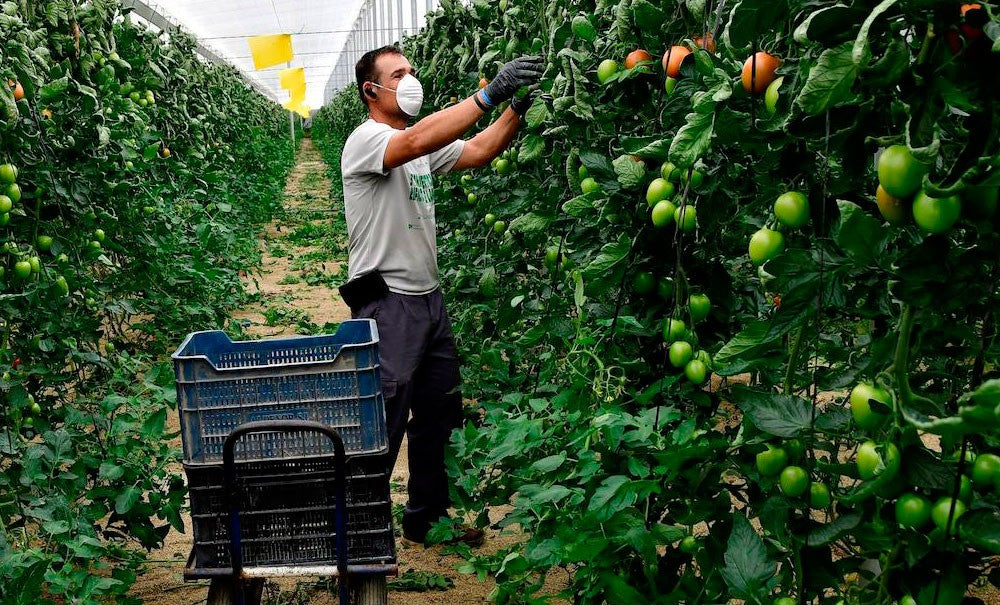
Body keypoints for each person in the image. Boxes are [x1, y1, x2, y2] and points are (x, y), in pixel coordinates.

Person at [339, 46, 543, 546]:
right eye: (398, 74)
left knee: (438, 415)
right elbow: (412, 142)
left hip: (429, 300)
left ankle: (427, 518)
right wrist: (487, 93)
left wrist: (515, 108)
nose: (410, 79)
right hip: (387, 303)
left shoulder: (422, 143)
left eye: (411, 70)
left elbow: (477, 151)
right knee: (381, 417)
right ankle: (357, 528)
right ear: (372, 90)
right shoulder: (368, 140)